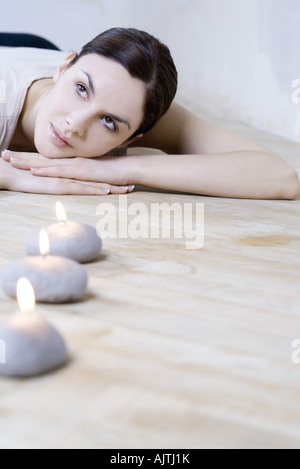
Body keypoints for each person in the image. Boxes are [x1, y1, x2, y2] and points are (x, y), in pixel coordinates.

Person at [0, 28, 299, 199]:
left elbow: (280, 178)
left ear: (132, 138)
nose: (75, 125)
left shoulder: (130, 103)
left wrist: (114, 170)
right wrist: (16, 178)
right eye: (80, 89)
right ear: (64, 68)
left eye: (108, 122)